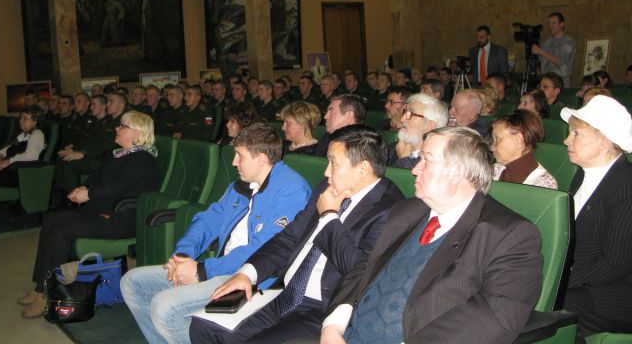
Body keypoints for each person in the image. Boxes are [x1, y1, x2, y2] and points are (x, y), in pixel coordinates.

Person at [321, 126, 543, 344]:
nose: (415, 169)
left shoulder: (509, 235)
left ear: (457, 170)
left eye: (426, 159)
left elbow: (496, 317)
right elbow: (364, 268)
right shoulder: (407, 211)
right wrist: (333, 327)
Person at [190, 125, 404, 343]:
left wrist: (329, 217)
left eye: (334, 163)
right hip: (286, 294)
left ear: (363, 169)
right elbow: (289, 237)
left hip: (323, 308)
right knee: (204, 327)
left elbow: (357, 272)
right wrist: (247, 274)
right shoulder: (325, 187)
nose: (326, 172)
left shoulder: (390, 210)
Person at [121, 123, 311, 344]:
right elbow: (207, 221)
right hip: (219, 268)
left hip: (251, 279)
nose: (234, 162)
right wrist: (183, 255)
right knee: (132, 282)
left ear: (260, 159)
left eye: (239, 156)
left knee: (165, 307)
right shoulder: (241, 186)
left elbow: (264, 250)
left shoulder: (292, 191)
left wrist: (202, 270)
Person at [18, 111, 161, 318]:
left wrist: (88, 194)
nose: (117, 128)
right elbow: (97, 177)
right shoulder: (120, 154)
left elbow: (116, 188)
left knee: (63, 229)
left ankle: (48, 294)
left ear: (137, 133)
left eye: (123, 126)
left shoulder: (142, 159)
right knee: (51, 219)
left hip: (122, 218)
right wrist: (81, 189)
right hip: (105, 210)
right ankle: (39, 284)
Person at [560, 96, 632, 341]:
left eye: (576, 134)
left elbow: (614, 265)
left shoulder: (626, 184)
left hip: (618, 292)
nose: (566, 140)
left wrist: (559, 280)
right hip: (588, 279)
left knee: (555, 305)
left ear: (604, 140)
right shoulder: (583, 174)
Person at [490, 110, 557, 189]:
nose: (492, 147)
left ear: (519, 140)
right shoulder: (495, 170)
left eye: (497, 139)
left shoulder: (543, 185)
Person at [388, 93, 449, 169]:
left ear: (430, 126)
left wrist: (404, 160)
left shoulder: (436, 163)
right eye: (405, 112)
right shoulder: (393, 148)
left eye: (411, 114)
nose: (402, 119)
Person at [0, 106, 45, 188]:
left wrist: (8, 161)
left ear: (35, 121)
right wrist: (0, 156)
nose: (21, 120)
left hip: (19, 175)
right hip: (7, 171)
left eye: (25, 118)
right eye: (20, 118)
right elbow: (6, 149)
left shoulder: (37, 134)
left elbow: (31, 156)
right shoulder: (21, 135)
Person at [532, 12, 576, 88]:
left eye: (553, 23)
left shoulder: (569, 42)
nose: (551, 26)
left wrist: (541, 51)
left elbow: (560, 61)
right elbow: (539, 62)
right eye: (549, 23)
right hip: (545, 83)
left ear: (561, 24)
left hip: (561, 83)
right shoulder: (546, 42)